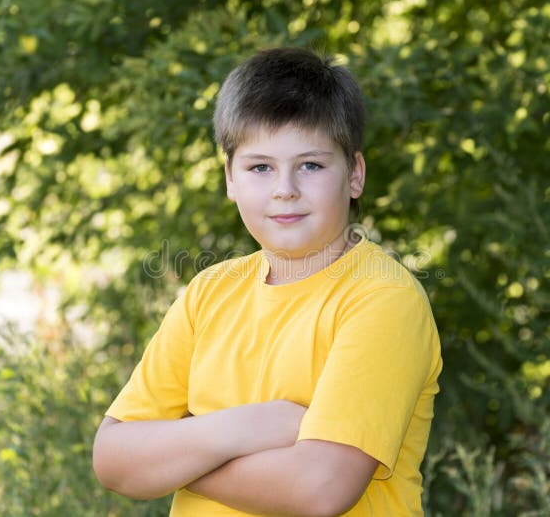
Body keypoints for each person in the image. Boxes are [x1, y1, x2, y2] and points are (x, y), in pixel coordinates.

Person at [92, 47, 442, 516]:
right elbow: (113, 460)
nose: (285, 189)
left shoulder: (381, 300)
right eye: (260, 167)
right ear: (230, 179)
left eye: (311, 165)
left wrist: (174, 455)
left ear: (354, 174)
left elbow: (318, 488)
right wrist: (247, 428)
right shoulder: (209, 293)